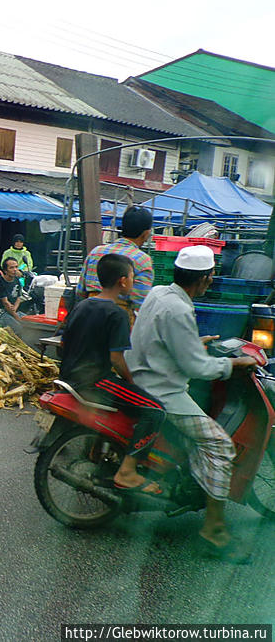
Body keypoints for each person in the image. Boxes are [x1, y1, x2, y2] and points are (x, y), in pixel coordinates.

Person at [127, 245, 258, 563]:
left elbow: (160, 337)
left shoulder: (160, 293)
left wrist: (194, 345)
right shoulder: (180, 310)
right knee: (220, 445)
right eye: (210, 278)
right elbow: (198, 368)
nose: (210, 283)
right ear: (204, 280)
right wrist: (235, 365)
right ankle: (213, 530)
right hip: (162, 390)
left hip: (142, 372)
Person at [59, 254, 165, 493]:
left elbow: (64, 343)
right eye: (132, 278)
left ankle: (102, 451)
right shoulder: (116, 313)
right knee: (156, 412)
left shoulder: (82, 305)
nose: (133, 282)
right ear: (123, 281)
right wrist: (130, 380)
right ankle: (128, 471)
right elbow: (116, 359)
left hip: (70, 376)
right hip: (95, 382)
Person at [77, 206, 154, 326]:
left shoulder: (96, 251)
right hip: (119, 322)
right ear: (146, 233)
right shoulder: (142, 260)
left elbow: (80, 291)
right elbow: (140, 303)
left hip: (87, 318)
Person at [0, 257, 24, 333]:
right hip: (0, 312)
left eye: (16, 267)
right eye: (11, 268)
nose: (15, 270)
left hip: (13, 311)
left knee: (31, 323)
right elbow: (5, 303)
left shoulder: (16, 280)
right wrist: (17, 317)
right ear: (5, 270)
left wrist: (15, 309)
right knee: (18, 328)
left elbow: (19, 297)